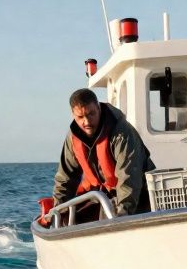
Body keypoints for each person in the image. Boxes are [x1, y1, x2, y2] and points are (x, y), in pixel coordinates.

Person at [50, 88, 155, 224]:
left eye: (91, 114)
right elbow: (65, 179)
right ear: (73, 115)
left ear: (98, 108)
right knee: (68, 219)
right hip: (103, 196)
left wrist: (122, 215)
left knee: (113, 215)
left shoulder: (121, 133)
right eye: (80, 117)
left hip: (139, 197)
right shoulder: (73, 138)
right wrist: (57, 211)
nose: (87, 122)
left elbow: (129, 178)